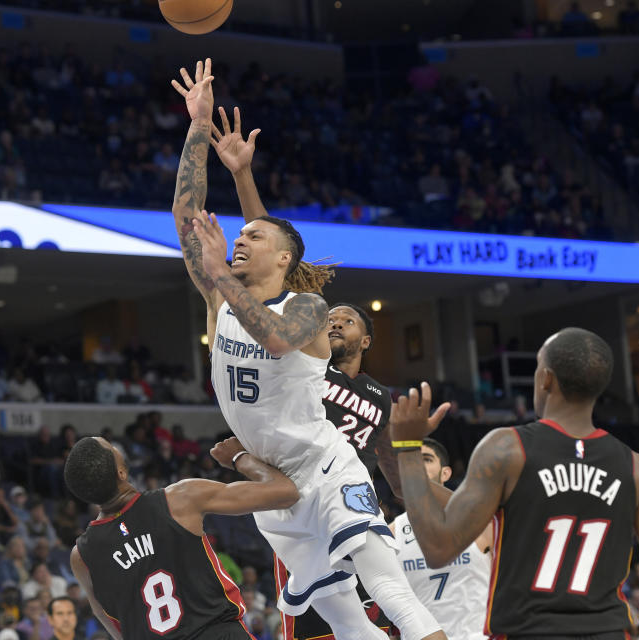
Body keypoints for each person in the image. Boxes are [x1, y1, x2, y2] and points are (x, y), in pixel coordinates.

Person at [172, 58, 446, 640]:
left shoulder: (308, 310)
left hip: (325, 465)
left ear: (283, 261)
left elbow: (272, 332)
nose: (239, 240)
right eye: (239, 237)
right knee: (344, 621)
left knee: (388, 588)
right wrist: (197, 127)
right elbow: (188, 216)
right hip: (273, 479)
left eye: (252, 238)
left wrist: (221, 268)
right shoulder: (224, 295)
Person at [389, 328, 639, 637]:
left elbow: (438, 548)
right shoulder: (638, 469)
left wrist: (406, 446)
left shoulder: (507, 448)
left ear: (546, 378)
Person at [64, 435, 299, 640]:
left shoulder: (82, 557)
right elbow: (285, 492)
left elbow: (117, 629)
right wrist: (239, 457)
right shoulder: (179, 499)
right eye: (112, 448)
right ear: (121, 472)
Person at [390, 438, 492, 640]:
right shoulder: (393, 532)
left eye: (426, 459)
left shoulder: (480, 524)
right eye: (412, 461)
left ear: (445, 473)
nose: (417, 466)